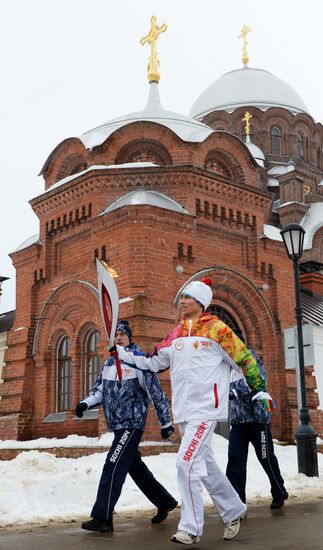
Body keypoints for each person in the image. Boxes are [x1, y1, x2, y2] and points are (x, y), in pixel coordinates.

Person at [113, 279, 275, 544]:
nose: (182, 302)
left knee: (185, 463)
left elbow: (244, 358)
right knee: (206, 465)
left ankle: (190, 527)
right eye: (182, 298)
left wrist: (259, 388)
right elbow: (152, 361)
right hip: (184, 411)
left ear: (201, 302)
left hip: (206, 409)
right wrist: (125, 355)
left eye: (187, 297)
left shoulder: (217, 330)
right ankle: (233, 509)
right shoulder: (175, 334)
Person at [76, 320, 177, 533]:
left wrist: (165, 422)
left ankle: (102, 517)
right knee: (133, 467)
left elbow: (155, 394)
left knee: (112, 463)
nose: (119, 338)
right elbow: (100, 391)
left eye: (122, 334)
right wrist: (85, 403)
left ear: (130, 337)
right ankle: (164, 501)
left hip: (132, 423)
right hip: (118, 425)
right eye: (116, 335)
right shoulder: (109, 364)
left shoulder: (139, 361)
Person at [226, 349, 288, 509]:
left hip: (257, 420)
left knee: (266, 457)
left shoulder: (248, 357)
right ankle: (237, 501)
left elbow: (259, 379)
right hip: (238, 422)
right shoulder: (227, 363)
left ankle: (279, 490)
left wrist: (233, 391)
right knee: (235, 459)